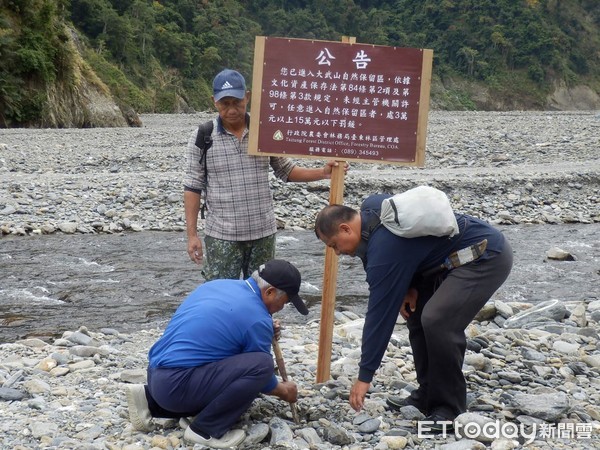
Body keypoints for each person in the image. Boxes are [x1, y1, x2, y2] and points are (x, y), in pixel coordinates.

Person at [314, 193, 513, 431]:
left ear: (346, 228)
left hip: (483, 255)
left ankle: (449, 408)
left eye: (334, 245)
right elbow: (408, 248)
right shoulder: (373, 210)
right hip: (443, 262)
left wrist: (364, 376)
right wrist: (407, 285)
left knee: (438, 320)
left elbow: (379, 318)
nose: (337, 253)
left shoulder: (383, 251)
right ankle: (429, 392)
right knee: (416, 316)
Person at [126, 259, 308, 448]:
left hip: (156, 376)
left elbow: (225, 332)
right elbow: (262, 376)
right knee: (262, 365)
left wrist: (265, 328)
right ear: (269, 292)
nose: (282, 308)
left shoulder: (219, 286)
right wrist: (284, 391)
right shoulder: (257, 319)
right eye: (284, 302)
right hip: (176, 387)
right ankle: (205, 430)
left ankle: (148, 400)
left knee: (241, 371)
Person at [185, 68, 345, 281]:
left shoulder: (264, 131)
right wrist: (192, 235)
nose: (231, 109)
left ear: (248, 96)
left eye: (237, 101)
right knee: (222, 298)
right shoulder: (203, 136)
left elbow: (286, 171)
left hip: (263, 235)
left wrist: (323, 173)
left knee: (262, 294)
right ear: (214, 101)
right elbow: (192, 187)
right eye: (225, 103)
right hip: (222, 236)